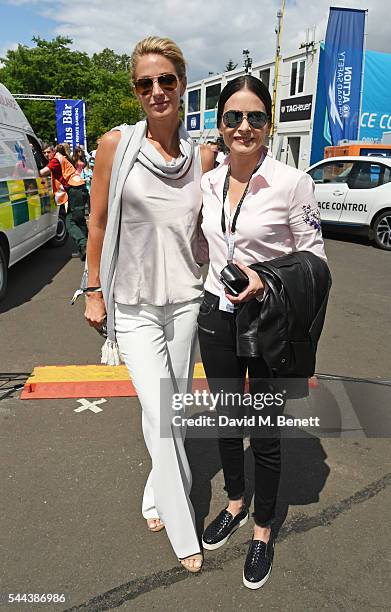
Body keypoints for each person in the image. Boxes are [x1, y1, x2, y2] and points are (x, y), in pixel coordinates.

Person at [84, 36, 214, 572]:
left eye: (166, 80)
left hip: (185, 299)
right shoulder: (117, 144)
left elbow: (211, 227)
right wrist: (93, 290)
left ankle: (156, 493)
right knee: (161, 413)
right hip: (132, 304)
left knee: (172, 409)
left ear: (182, 83)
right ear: (136, 91)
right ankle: (184, 531)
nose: (156, 91)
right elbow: (96, 223)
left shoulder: (201, 155)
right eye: (145, 83)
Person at [197, 75, 327, 589]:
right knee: (228, 421)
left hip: (266, 319)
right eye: (233, 117)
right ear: (221, 125)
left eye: (254, 117)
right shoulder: (208, 180)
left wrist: (264, 278)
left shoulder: (293, 182)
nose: (243, 126)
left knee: (265, 432)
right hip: (217, 315)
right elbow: (202, 245)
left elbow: (315, 257)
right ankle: (233, 502)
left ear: (268, 125)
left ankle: (262, 529)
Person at [40, 144, 88, 260]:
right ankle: (86, 249)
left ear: (53, 151)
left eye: (48, 152)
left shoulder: (55, 159)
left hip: (75, 190)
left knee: (69, 221)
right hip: (78, 189)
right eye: (44, 153)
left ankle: (84, 244)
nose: (46, 155)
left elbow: (42, 173)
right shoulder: (60, 157)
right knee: (79, 220)